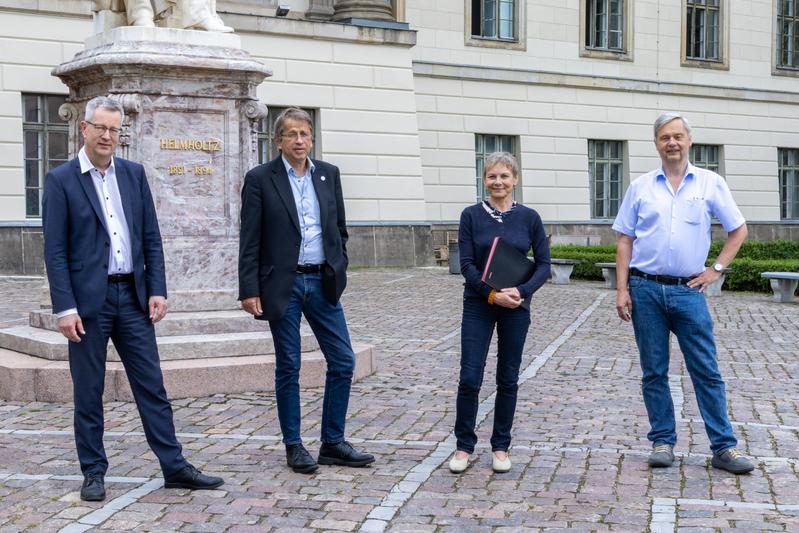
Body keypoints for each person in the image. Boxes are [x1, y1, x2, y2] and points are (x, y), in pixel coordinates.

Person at [42, 96, 224, 501]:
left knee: (152, 385)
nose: (107, 135)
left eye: (114, 129)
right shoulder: (61, 181)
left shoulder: (133, 173)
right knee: (88, 392)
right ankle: (93, 471)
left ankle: (174, 466)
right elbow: (54, 251)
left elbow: (150, 236)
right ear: (84, 129)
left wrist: (157, 288)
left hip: (133, 297)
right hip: (88, 304)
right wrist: (65, 308)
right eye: (100, 127)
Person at [613, 112, 754, 474]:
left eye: (678, 136)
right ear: (656, 144)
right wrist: (622, 289)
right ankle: (663, 441)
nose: (672, 142)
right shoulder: (641, 187)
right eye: (665, 137)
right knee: (653, 371)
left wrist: (715, 269)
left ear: (689, 141)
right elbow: (625, 240)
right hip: (645, 290)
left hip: (689, 292)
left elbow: (738, 230)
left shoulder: (710, 183)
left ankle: (724, 448)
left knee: (706, 370)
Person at [238, 107, 374, 474]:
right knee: (290, 365)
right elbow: (249, 239)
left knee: (343, 361)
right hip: (282, 284)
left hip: (322, 280)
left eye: (305, 134)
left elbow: (339, 228)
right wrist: (249, 288)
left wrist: (339, 265)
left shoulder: (328, 175)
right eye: (292, 134)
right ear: (278, 140)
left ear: (311, 138)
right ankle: (294, 445)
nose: (300, 141)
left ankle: (332, 442)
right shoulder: (260, 179)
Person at [449, 152, 551, 474]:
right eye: (492, 176)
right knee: (470, 376)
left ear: (515, 180)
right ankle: (464, 446)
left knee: (508, 378)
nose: (498, 182)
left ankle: (500, 446)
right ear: (484, 180)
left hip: (516, 306)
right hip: (480, 303)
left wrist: (521, 292)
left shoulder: (530, 217)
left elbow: (545, 265)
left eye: (505, 176)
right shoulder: (470, 215)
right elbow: (466, 265)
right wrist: (492, 294)